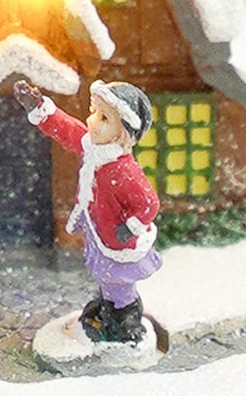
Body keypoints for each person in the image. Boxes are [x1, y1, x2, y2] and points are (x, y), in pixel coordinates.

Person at [11, 77, 161, 345]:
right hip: (100, 228)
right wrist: (40, 108)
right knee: (105, 276)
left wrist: (131, 227)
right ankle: (108, 305)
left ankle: (124, 318)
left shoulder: (124, 171)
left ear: (123, 133)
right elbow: (67, 130)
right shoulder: (95, 150)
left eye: (103, 118)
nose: (92, 121)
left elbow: (149, 203)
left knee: (117, 279)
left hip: (117, 240)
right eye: (94, 112)